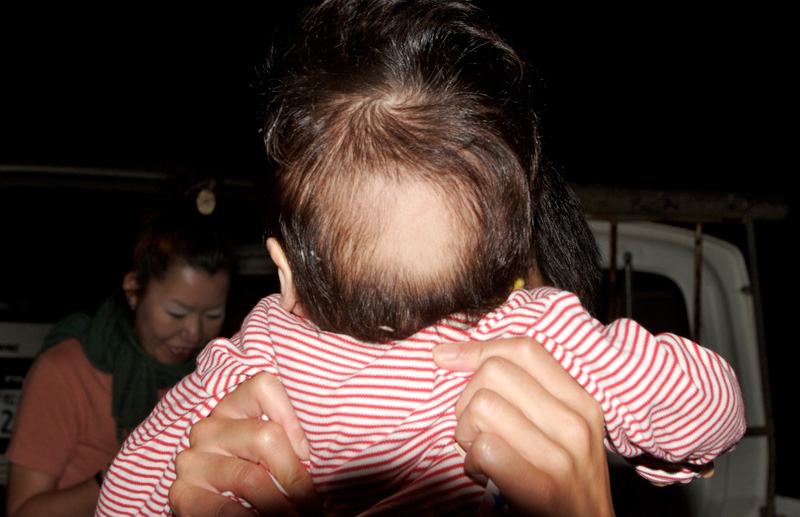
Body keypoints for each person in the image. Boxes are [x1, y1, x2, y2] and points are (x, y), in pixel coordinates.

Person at [98, 1, 744, 515]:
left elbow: (128, 488)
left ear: (284, 271)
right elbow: (712, 410)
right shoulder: (530, 336)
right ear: (502, 265)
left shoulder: (254, 356)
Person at [4, 201, 234, 517]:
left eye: (213, 314)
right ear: (133, 291)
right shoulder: (66, 371)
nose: (194, 332)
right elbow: (23, 512)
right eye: (176, 313)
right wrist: (125, 472)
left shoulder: (219, 374)